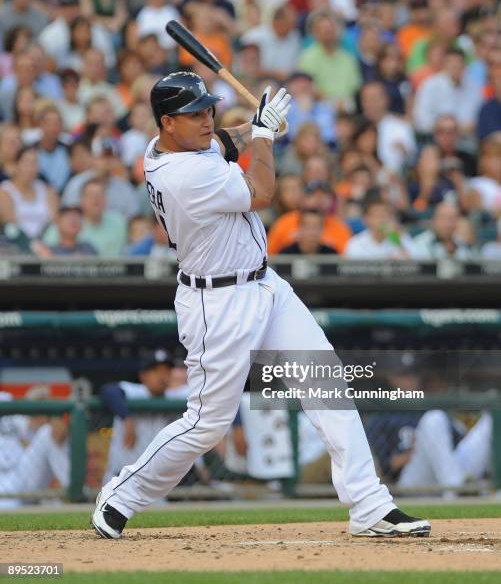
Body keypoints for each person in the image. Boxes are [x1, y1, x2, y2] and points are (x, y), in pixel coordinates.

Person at [91, 70, 430, 540]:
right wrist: (266, 139)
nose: (207, 119)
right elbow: (262, 191)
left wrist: (253, 125)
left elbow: (223, 142)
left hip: (265, 285)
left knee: (328, 384)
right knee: (207, 425)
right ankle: (121, 495)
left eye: (208, 109)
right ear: (167, 123)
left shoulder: (179, 146)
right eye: (194, 114)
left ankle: (369, 504)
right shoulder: (184, 173)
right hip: (218, 302)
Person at [100, 349, 185, 484]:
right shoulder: (134, 392)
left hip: (155, 482)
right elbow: (108, 391)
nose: (162, 376)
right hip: (120, 479)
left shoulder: (174, 397)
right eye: (156, 371)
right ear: (143, 376)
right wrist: (126, 418)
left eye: (166, 371)